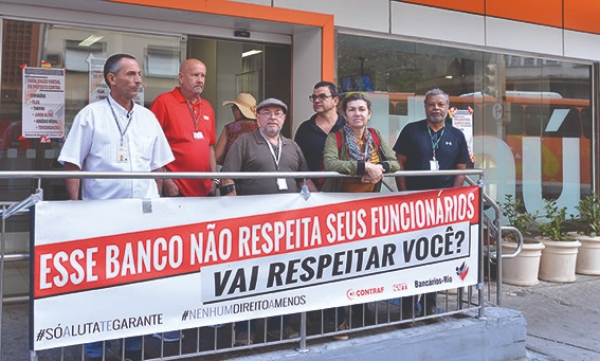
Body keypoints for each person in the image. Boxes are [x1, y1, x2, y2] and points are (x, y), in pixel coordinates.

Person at [58, 53, 174, 361]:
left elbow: (158, 168)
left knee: (139, 282)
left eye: (139, 74)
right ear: (112, 79)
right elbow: (73, 163)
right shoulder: (91, 115)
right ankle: (95, 347)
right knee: (100, 284)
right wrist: (74, 206)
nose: (139, 80)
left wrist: (159, 206)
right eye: (131, 74)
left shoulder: (148, 118)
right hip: (102, 215)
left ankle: (133, 344)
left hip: (143, 217)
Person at [220, 98, 317, 345]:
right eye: (266, 113)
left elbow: (304, 180)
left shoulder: (292, 146)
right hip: (251, 226)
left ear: (284, 119)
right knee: (249, 278)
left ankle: (278, 326)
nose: (272, 117)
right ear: (258, 117)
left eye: (278, 113)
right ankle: (244, 330)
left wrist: (319, 205)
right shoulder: (244, 142)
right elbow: (227, 178)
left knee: (282, 276)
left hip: (285, 227)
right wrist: (234, 215)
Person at [322, 92, 400, 339]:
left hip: (367, 213)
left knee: (362, 264)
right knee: (338, 266)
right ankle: (337, 322)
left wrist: (378, 169)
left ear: (369, 113)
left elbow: (395, 163)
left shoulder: (376, 137)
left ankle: (359, 319)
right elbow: (331, 164)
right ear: (344, 114)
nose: (357, 113)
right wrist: (362, 168)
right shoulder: (335, 137)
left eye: (361, 109)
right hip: (339, 211)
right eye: (352, 109)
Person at [393, 88, 470, 318]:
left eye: (440, 104)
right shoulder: (411, 131)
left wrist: (451, 199)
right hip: (413, 205)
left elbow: (461, 170)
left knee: (434, 256)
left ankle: (429, 306)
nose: (436, 108)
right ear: (425, 107)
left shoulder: (456, 135)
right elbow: (400, 166)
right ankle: (407, 308)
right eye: (431, 104)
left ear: (447, 108)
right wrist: (404, 195)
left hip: (441, 208)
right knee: (410, 256)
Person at [150, 58, 217, 197]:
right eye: (195, 75)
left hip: (204, 188)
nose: (200, 80)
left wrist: (214, 179)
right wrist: (166, 180)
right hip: (176, 187)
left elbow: (210, 147)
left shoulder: (208, 107)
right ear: (181, 77)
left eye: (203, 76)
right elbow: (153, 146)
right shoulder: (163, 102)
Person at [294, 81, 345, 189]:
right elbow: (297, 162)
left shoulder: (348, 127)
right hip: (314, 192)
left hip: (346, 191)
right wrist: (307, 185)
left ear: (335, 100)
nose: (317, 100)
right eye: (314, 97)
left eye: (322, 97)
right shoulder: (305, 129)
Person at [214, 93, 258, 166]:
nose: (233, 111)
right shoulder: (262, 128)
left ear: (238, 110)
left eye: (233, 108)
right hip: (256, 175)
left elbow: (217, 157)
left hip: (232, 175)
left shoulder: (230, 128)